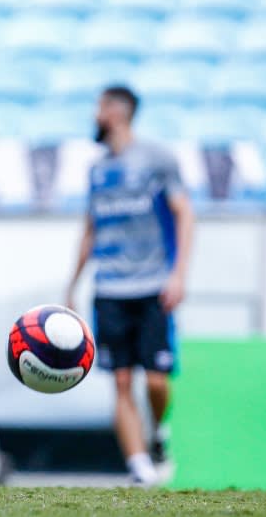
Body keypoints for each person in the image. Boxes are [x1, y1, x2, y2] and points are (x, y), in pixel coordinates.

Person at [65, 86, 194, 486]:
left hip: (153, 286)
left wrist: (178, 275)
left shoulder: (157, 159)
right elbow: (91, 229)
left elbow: (185, 215)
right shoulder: (97, 170)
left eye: (99, 107)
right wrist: (72, 283)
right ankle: (140, 469)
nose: (95, 114)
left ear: (117, 112)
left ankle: (159, 433)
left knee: (156, 380)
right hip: (110, 290)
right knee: (121, 380)